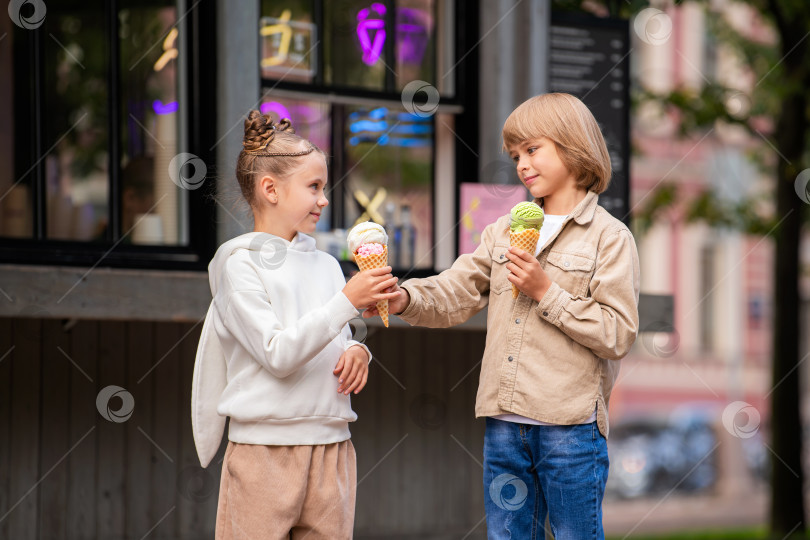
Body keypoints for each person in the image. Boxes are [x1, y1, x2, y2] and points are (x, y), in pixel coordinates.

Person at [366, 93, 640, 539]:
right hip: (504, 424)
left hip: (569, 429)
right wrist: (404, 298)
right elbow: (457, 289)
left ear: (572, 145)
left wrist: (545, 292)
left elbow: (618, 334)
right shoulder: (504, 230)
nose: (522, 164)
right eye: (516, 155)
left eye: (533, 149)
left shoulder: (609, 237)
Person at [191, 111, 398, 539]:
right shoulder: (240, 266)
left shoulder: (325, 263)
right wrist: (347, 301)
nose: (324, 199)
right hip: (264, 451)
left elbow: (335, 334)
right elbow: (279, 354)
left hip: (333, 447)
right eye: (314, 187)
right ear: (270, 189)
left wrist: (359, 351)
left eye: (323, 187)